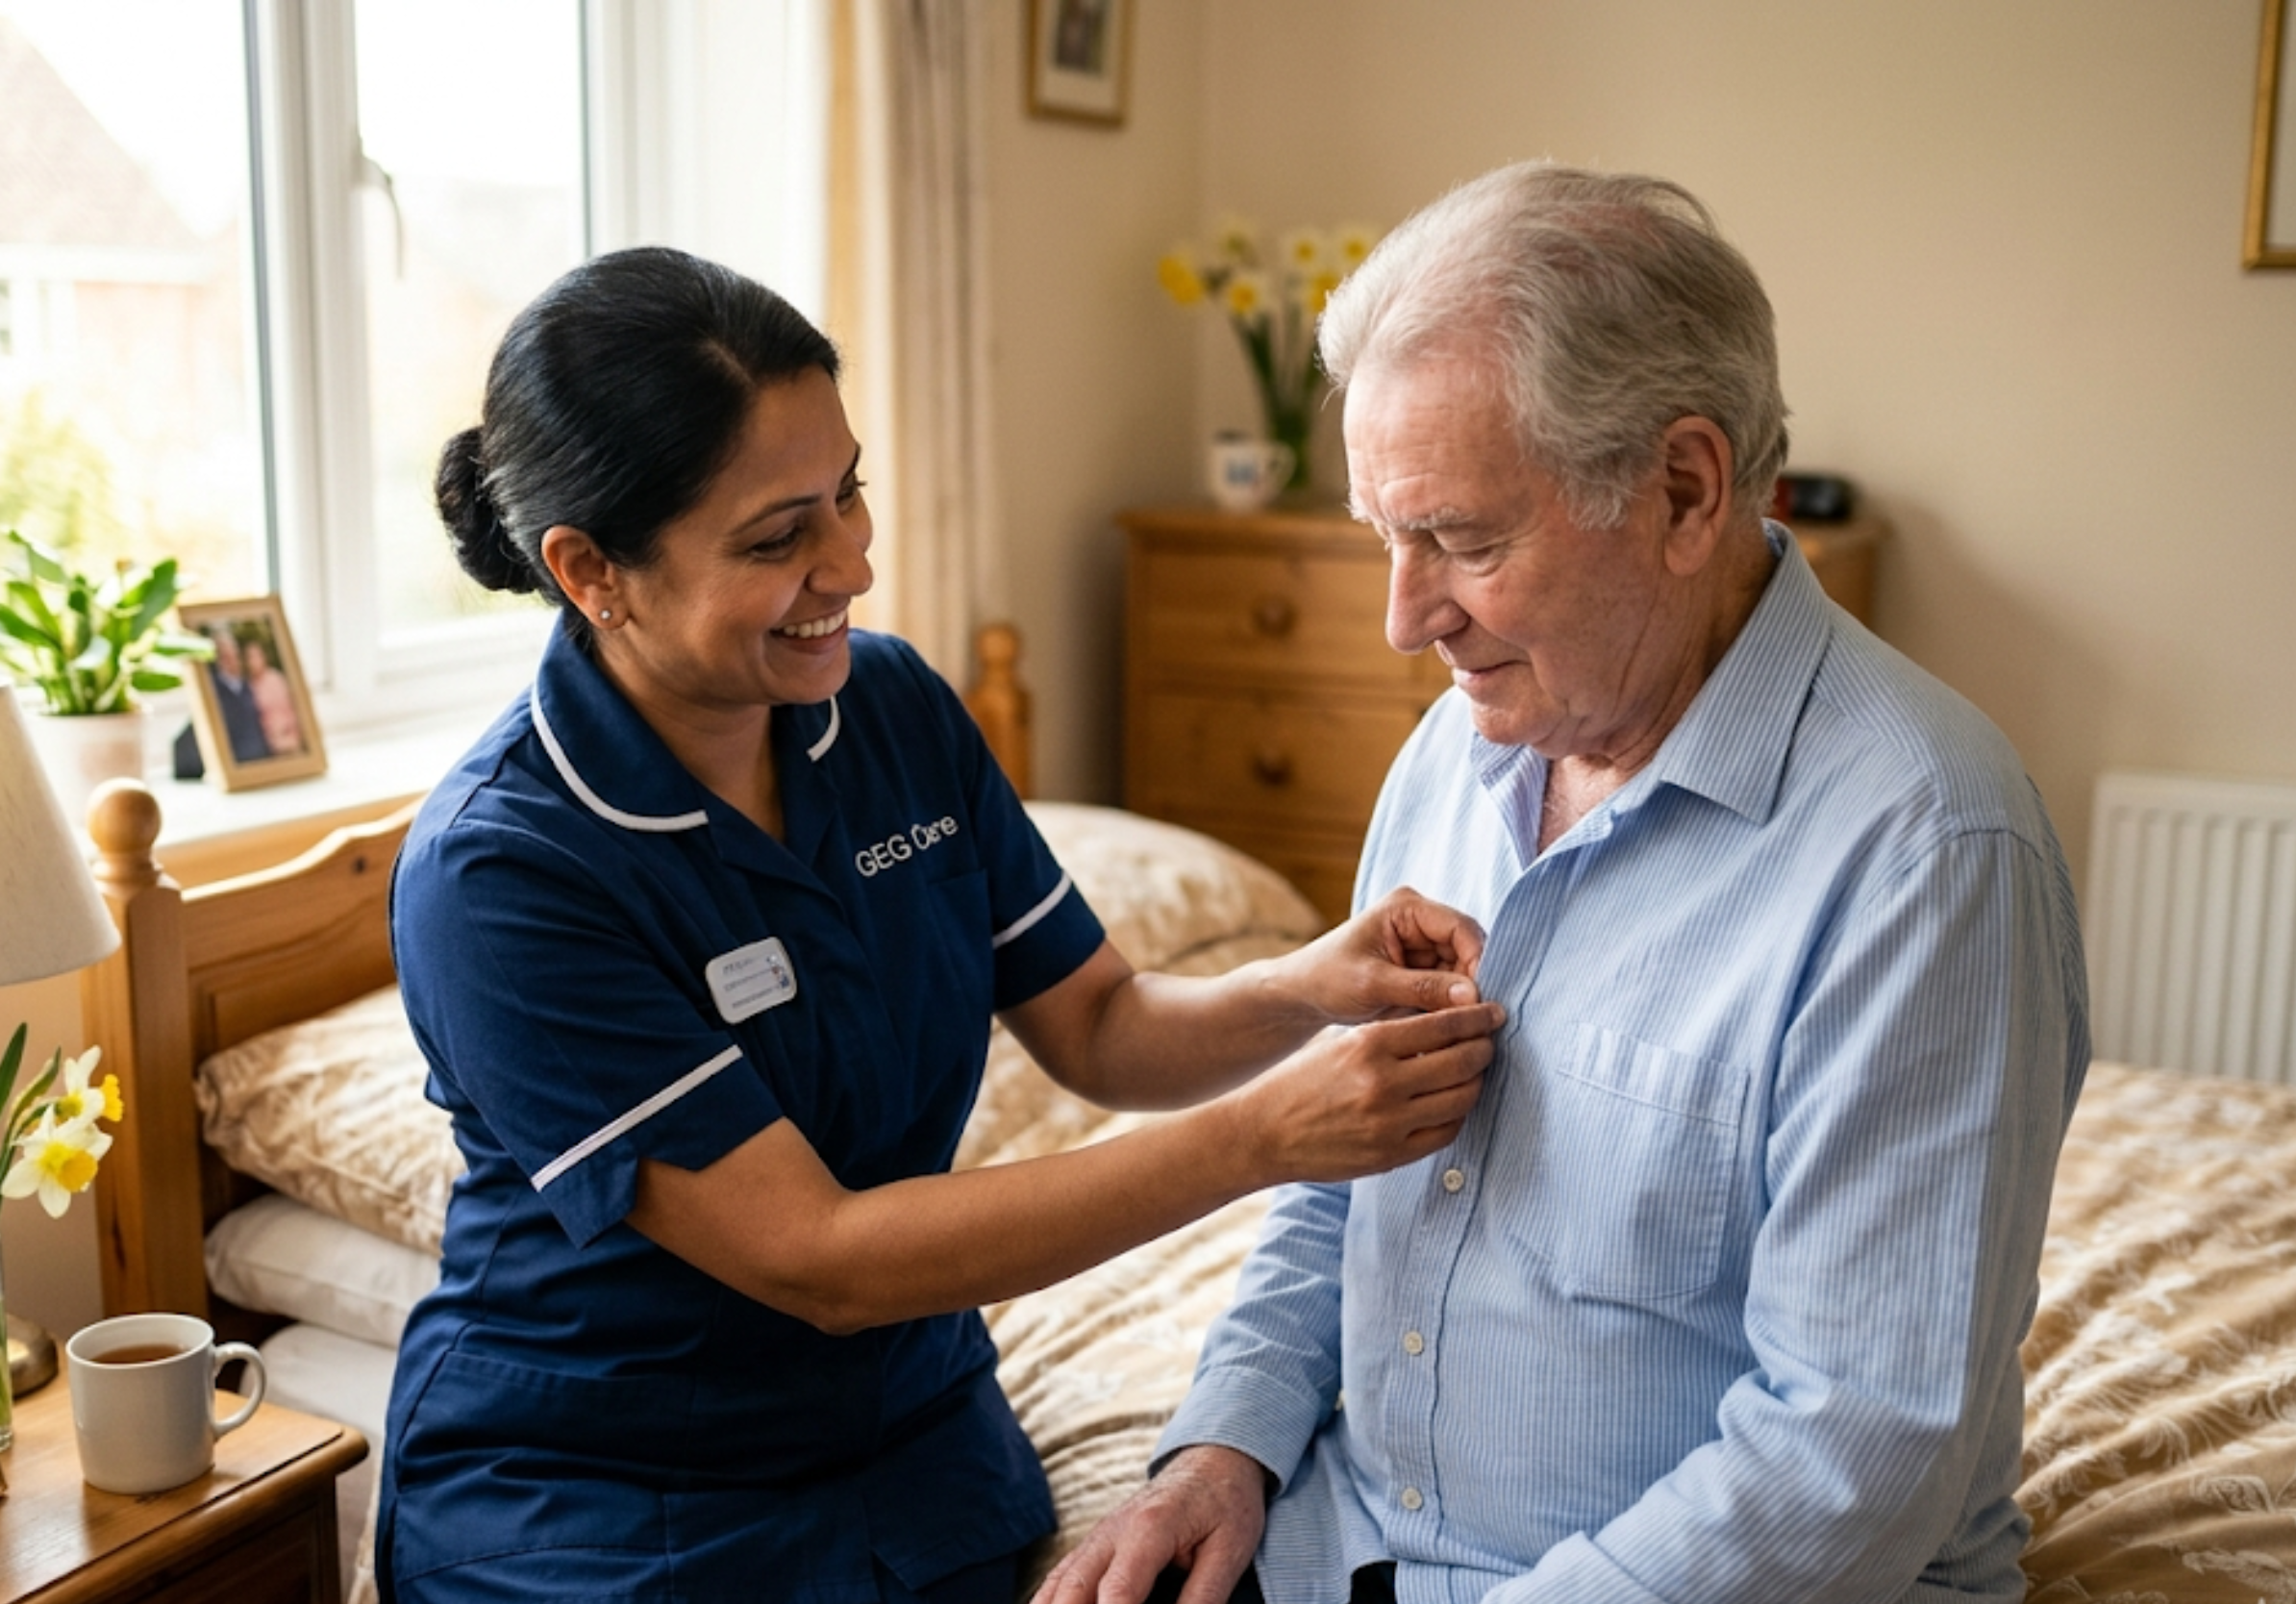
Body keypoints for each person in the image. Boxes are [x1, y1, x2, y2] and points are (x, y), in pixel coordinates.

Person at [374, 245, 1506, 1604]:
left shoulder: (891, 708)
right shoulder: (505, 872)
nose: (852, 562)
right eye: (777, 536)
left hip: (911, 1438)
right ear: (590, 571)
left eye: (847, 492)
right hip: (604, 1494)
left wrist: (1305, 989)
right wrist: (1264, 1138)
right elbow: (822, 1261)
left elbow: (1100, 1028)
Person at [1040, 163, 2089, 1604]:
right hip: (1352, 1538)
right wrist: (1222, 1449)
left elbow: (1853, 1454)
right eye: (1384, 541)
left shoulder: (1927, 853)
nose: (1407, 620)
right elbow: (1339, 1183)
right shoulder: (1461, 746)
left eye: (1463, 542)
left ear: (1683, 489)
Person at [203, 629, 270, 764]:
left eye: (235, 654)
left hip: (262, 756)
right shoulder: (212, 689)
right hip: (237, 762)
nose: (233, 660)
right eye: (227, 656)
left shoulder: (248, 683)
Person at [242, 635, 303, 756]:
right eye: (249, 658)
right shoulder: (248, 686)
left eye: (256, 656)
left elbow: (292, 707)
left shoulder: (276, 679)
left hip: (288, 736)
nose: (253, 661)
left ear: (264, 657)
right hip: (267, 745)